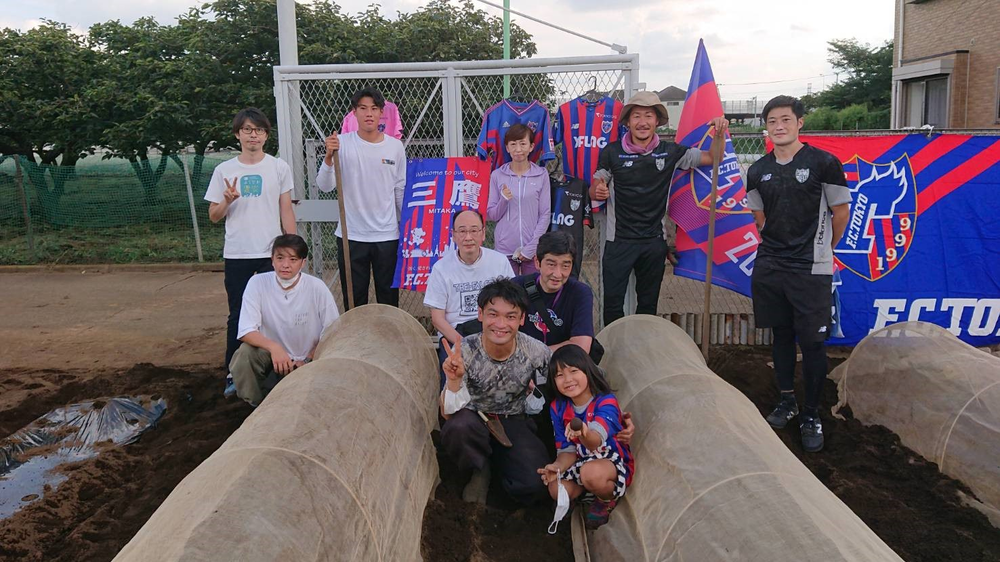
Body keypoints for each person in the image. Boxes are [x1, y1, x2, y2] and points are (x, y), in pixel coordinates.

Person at [746, 95, 852, 453]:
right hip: (772, 265)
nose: (779, 126)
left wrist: (824, 248)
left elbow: (840, 212)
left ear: (799, 123)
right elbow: (760, 218)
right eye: (772, 121)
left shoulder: (824, 163)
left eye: (785, 120)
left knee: (813, 342)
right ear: (766, 127)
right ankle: (787, 400)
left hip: (811, 268)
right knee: (781, 334)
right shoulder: (757, 170)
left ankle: (811, 413)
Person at [590, 91, 728, 327]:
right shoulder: (612, 152)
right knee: (612, 304)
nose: (642, 122)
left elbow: (714, 157)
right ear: (627, 121)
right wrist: (598, 190)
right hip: (618, 241)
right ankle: (611, 349)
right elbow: (595, 187)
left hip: (653, 243)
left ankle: (645, 347)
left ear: (657, 121)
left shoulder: (671, 151)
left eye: (648, 116)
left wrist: (719, 133)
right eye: (636, 116)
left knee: (648, 306)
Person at [204, 107, 297, 397]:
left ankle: (278, 367)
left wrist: (292, 250)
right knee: (238, 314)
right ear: (238, 135)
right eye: (247, 130)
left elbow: (286, 209)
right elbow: (214, 215)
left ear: (266, 135)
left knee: (277, 312)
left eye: (258, 130)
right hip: (238, 253)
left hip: (271, 254)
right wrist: (227, 201)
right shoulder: (224, 171)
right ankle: (233, 373)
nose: (252, 135)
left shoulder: (278, 167)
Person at [439, 278, 552, 505]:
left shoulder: (535, 351)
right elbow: (446, 413)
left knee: (535, 483)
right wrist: (454, 380)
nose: (501, 324)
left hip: (514, 418)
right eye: (493, 314)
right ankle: (478, 469)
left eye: (510, 316)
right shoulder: (465, 350)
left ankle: (502, 470)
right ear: (480, 314)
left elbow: (562, 382)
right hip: (474, 419)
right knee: (459, 428)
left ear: (521, 319)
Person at [317, 87, 406, 310]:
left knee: (388, 299)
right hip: (351, 235)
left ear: (381, 113)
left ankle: (388, 332)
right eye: (363, 108)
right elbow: (324, 186)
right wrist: (328, 157)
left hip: (387, 235)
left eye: (374, 109)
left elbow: (399, 188)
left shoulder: (395, 146)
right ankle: (356, 334)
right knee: (354, 299)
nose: (369, 114)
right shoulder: (341, 143)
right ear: (354, 112)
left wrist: (406, 224)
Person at [231, 234, 340, 407]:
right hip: (274, 357)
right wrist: (275, 348)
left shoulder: (316, 287)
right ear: (272, 260)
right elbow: (246, 331)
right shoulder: (257, 283)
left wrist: (308, 359)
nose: (285, 265)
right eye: (280, 258)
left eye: (293, 259)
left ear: (303, 262)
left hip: (310, 358)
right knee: (244, 356)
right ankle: (257, 406)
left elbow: (333, 331)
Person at [538, 345, 633, 529]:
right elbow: (567, 450)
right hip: (580, 463)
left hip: (610, 462)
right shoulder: (558, 407)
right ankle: (582, 493)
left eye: (574, 371)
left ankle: (606, 499)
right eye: (559, 375)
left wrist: (584, 432)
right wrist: (557, 467)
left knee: (591, 473)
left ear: (588, 371)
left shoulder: (606, 401)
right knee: (555, 489)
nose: (568, 379)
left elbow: (594, 441)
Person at [424, 210, 515, 386]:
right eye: (462, 231)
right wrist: (466, 344)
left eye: (474, 230)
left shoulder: (499, 261)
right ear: (453, 235)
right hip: (456, 335)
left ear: (483, 233)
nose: (468, 237)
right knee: (453, 381)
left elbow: (512, 304)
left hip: (494, 329)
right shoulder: (441, 269)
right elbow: (437, 319)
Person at [512, 231, 594, 354]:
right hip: (521, 361)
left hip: (562, 362)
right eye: (551, 264)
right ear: (537, 262)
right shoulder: (516, 286)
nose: (557, 274)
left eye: (565, 266)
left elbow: (581, 347)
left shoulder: (580, 293)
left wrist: (535, 355)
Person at [487, 124, 552, 276]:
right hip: (504, 250)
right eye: (513, 144)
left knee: (532, 289)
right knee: (507, 290)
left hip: (532, 249)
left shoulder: (541, 175)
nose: (518, 149)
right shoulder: (497, 176)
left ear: (531, 147)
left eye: (523, 144)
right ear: (507, 148)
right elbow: (491, 215)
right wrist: (503, 200)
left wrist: (532, 247)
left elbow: (545, 214)